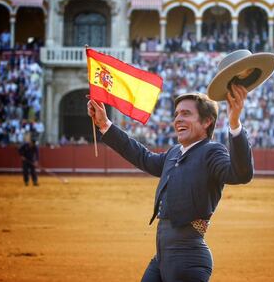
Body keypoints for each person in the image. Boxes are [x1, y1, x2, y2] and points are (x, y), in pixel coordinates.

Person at [87, 84, 253, 282]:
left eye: (186, 113)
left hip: (188, 258)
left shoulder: (212, 152)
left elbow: (241, 174)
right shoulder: (175, 153)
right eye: (176, 114)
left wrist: (234, 124)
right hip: (163, 256)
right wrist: (105, 124)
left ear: (207, 121)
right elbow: (143, 156)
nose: (178, 120)